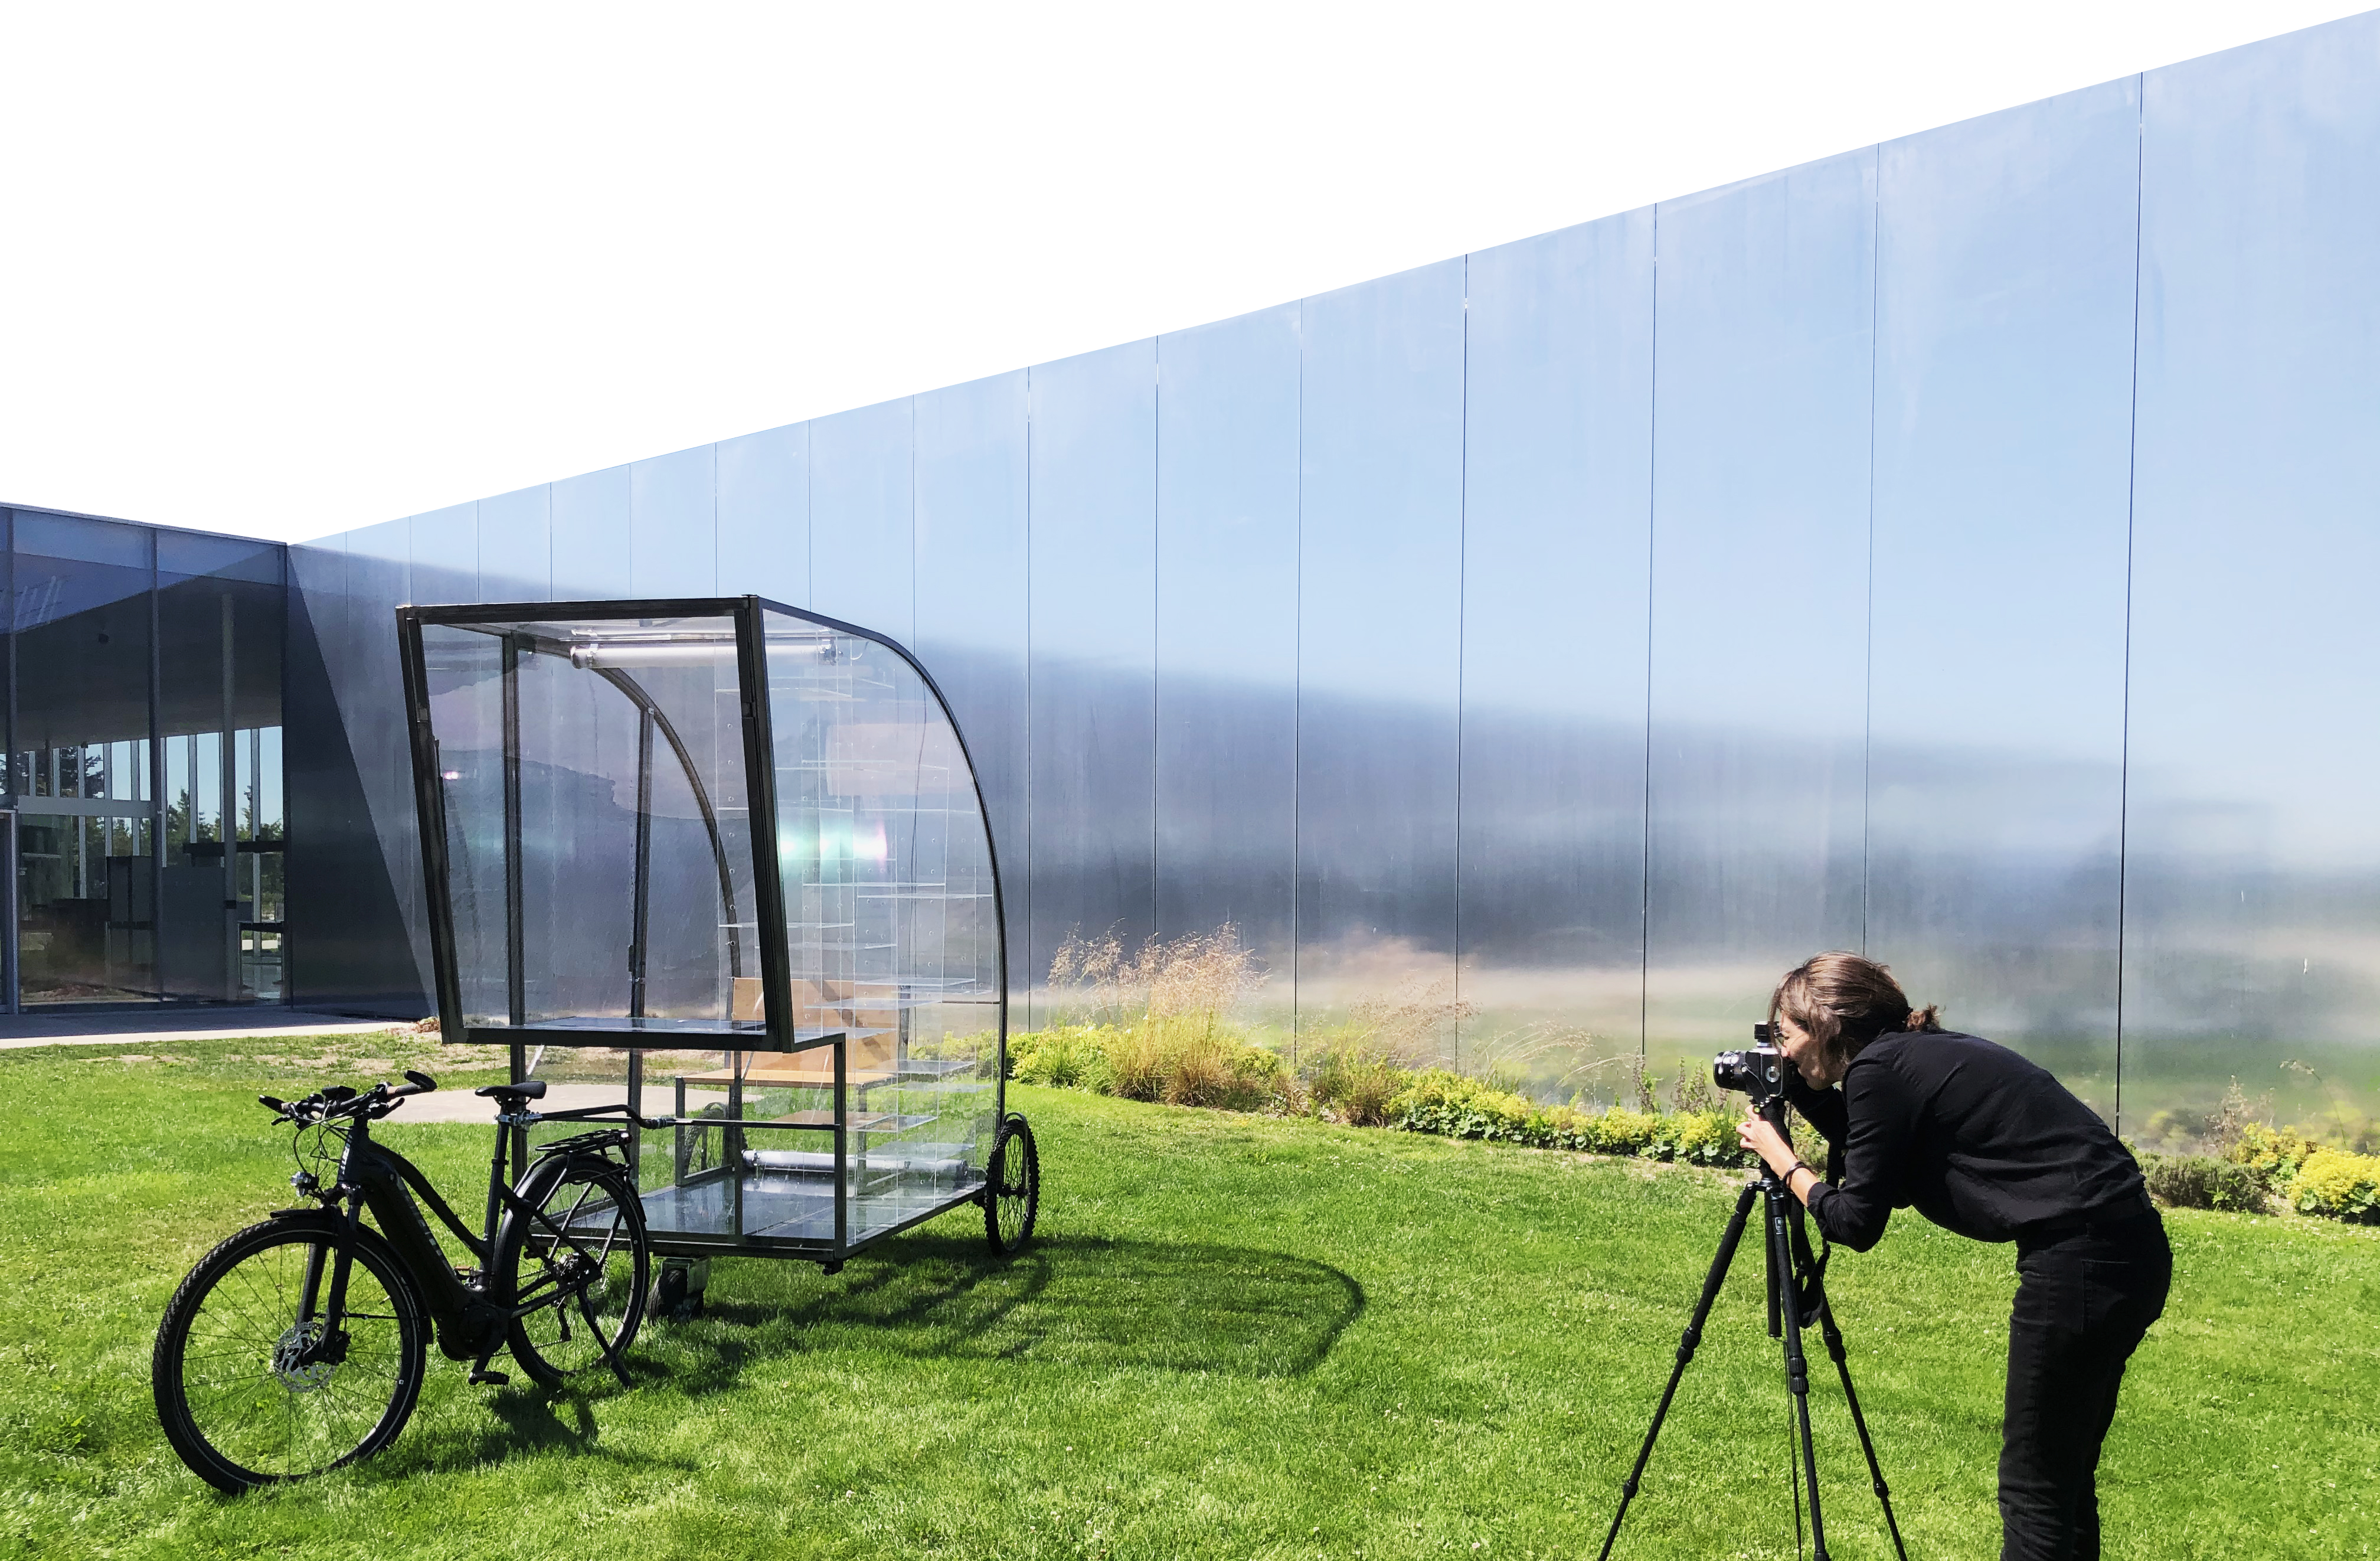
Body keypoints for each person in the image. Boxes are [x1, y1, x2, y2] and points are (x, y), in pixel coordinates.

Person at [1734, 951, 2170, 1561]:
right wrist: (1798, 1090)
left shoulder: (1879, 1071)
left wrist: (1784, 1159)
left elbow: (1856, 1221)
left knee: (2033, 1489)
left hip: (2083, 1259)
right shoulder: (1909, 1057)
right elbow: (1874, 1147)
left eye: (1787, 1033)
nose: (1781, 1049)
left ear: (1829, 1024)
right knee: (2062, 1477)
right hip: (2126, 1247)